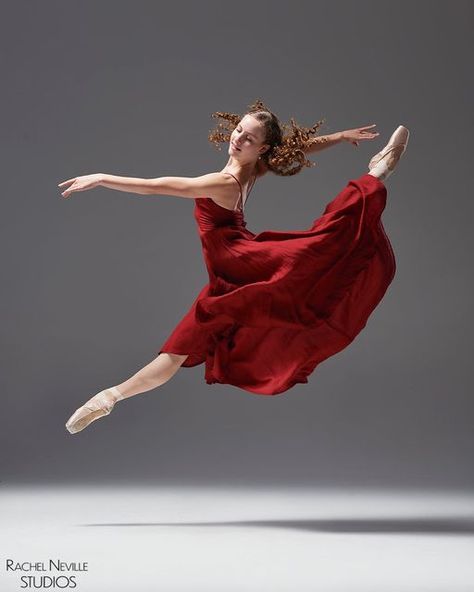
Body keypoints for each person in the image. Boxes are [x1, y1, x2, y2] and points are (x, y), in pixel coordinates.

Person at [59, 98, 409, 434]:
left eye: (249, 138)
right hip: (225, 277)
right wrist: (339, 137)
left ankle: (377, 173)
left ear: (261, 149)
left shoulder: (224, 182)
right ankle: (107, 399)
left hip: (240, 263)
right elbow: (296, 149)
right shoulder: (254, 168)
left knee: (321, 246)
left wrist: (103, 177)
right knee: (174, 353)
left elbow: (157, 187)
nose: (238, 138)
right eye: (239, 130)